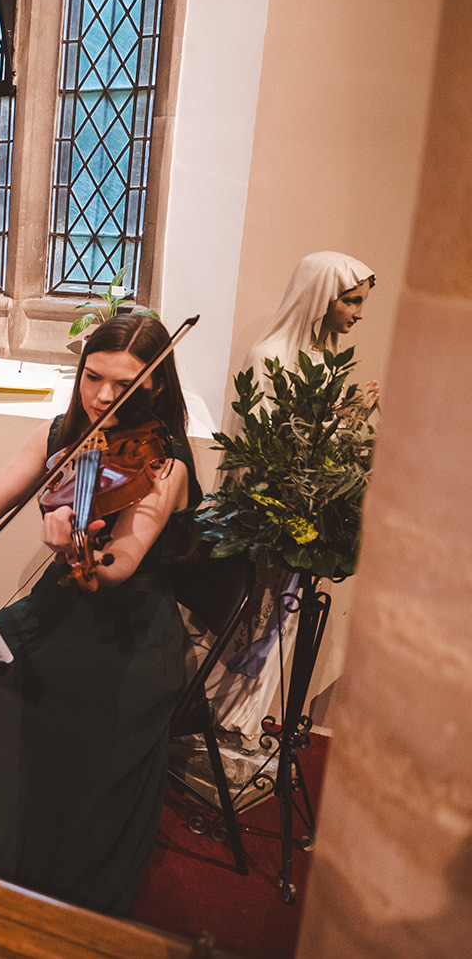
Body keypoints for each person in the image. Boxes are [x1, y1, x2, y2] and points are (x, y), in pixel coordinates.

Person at [0, 313, 200, 914]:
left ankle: (22, 883)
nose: (103, 397)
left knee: (2, 703)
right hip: (60, 607)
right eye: (93, 378)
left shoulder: (162, 463)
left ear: (156, 386)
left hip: (130, 632)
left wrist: (79, 548)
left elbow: (120, 562)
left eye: (125, 386)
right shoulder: (63, 433)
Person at [203, 252, 376, 754]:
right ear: (321, 297)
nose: (359, 313)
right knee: (250, 619)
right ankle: (218, 721)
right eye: (352, 299)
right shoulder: (267, 357)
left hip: (304, 520)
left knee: (282, 621)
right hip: (264, 518)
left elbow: (317, 444)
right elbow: (261, 446)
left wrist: (350, 421)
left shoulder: (325, 361)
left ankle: (245, 724)